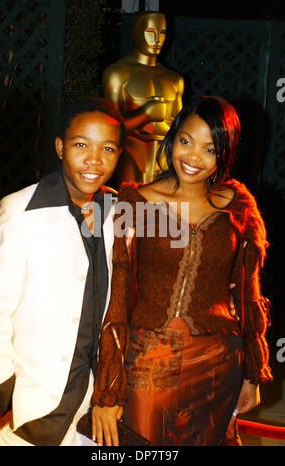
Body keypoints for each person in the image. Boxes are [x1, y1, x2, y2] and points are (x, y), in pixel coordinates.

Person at [91, 95, 273, 446]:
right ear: (173, 138)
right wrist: (108, 389)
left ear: (225, 152)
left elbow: (249, 295)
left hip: (218, 360)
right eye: (186, 141)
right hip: (150, 358)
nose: (193, 157)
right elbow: (119, 295)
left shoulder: (239, 208)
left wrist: (251, 373)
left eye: (210, 148)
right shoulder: (137, 203)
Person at [0, 97, 126, 446]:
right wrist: (3, 395)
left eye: (107, 148)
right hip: (34, 408)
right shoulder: (20, 211)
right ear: (60, 147)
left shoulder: (118, 211)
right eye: (81, 145)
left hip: (94, 408)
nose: (94, 160)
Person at [103, 11, 184, 185]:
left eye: (162, 33)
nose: (157, 40)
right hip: (131, 156)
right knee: (132, 207)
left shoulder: (175, 79)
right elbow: (111, 128)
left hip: (164, 159)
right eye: (150, 32)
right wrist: (146, 114)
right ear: (137, 32)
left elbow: (180, 128)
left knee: (162, 210)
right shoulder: (118, 74)